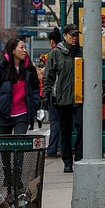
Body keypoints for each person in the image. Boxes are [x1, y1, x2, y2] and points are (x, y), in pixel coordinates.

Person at [42, 23, 83, 173]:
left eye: (76, 35)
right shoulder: (56, 54)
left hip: (80, 98)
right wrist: (46, 95)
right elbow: (49, 76)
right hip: (62, 98)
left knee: (82, 127)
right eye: (72, 35)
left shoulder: (82, 52)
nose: (75, 38)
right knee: (64, 130)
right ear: (65, 36)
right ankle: (67, 161)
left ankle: (79, 156)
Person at [0, 37, 41, 134]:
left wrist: (35, 103)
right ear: (13, 50)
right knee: (5, 146)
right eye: (22, 47)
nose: (24, 50)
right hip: (3, 114)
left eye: (25, 48)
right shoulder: (0, 68)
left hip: (23, 113)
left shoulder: (29, 69)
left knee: (18, 145)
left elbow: (36, 87)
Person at [44, 27, 62, 157]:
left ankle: (52, 149)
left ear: (52, 41)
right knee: (62, 123)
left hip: (55, 93)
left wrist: (46, 94)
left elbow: (48, 77)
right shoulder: (66, 52)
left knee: (55, 122)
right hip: (65, 93)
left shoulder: (53, 54)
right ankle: (60, 147)